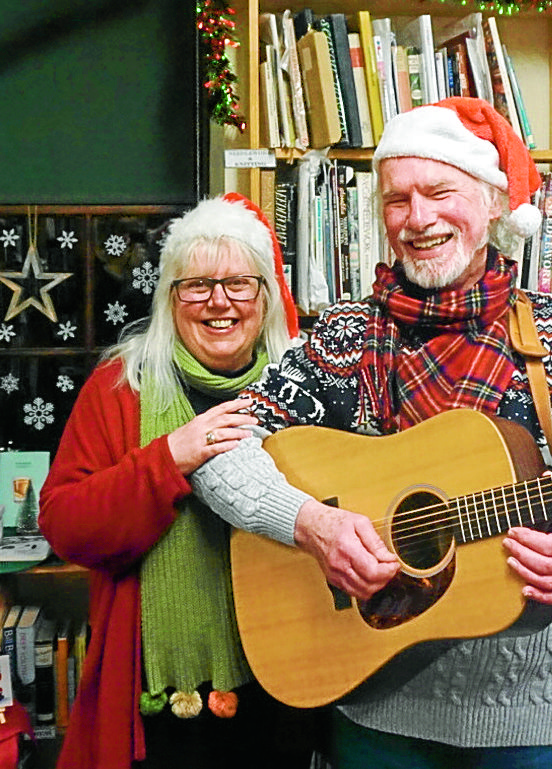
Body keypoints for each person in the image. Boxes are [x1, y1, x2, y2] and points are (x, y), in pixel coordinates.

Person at [192, 97, 552, 768]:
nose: (417, 219)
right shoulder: (346, 336)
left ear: (495, 204)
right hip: (372, 693)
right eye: (397, 199)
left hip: (528, 715)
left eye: (440, 192)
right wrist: (308, 524)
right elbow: (219, 452)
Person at [38, 194, 317, 769]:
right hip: (160, 701)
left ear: (265, 296)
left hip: (293, 676)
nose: (220, 302)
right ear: (171, 298)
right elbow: (66, 526)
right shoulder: (123, 387)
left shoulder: (310, 385)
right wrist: (168, 459)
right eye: (197, 286)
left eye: (239, 283)